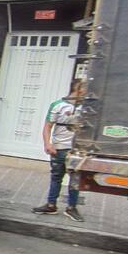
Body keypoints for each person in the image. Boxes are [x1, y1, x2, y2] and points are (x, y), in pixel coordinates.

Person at [34, 78, 85, 222]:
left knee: (75, 179)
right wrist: (47, 144)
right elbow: (48, 126)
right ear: (78, 89)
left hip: (77, 150)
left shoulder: (86, 107)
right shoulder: (58, 105)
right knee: (56, 176)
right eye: (85, 89)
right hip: (59, 147)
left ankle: (71, 208)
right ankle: (51, 205)